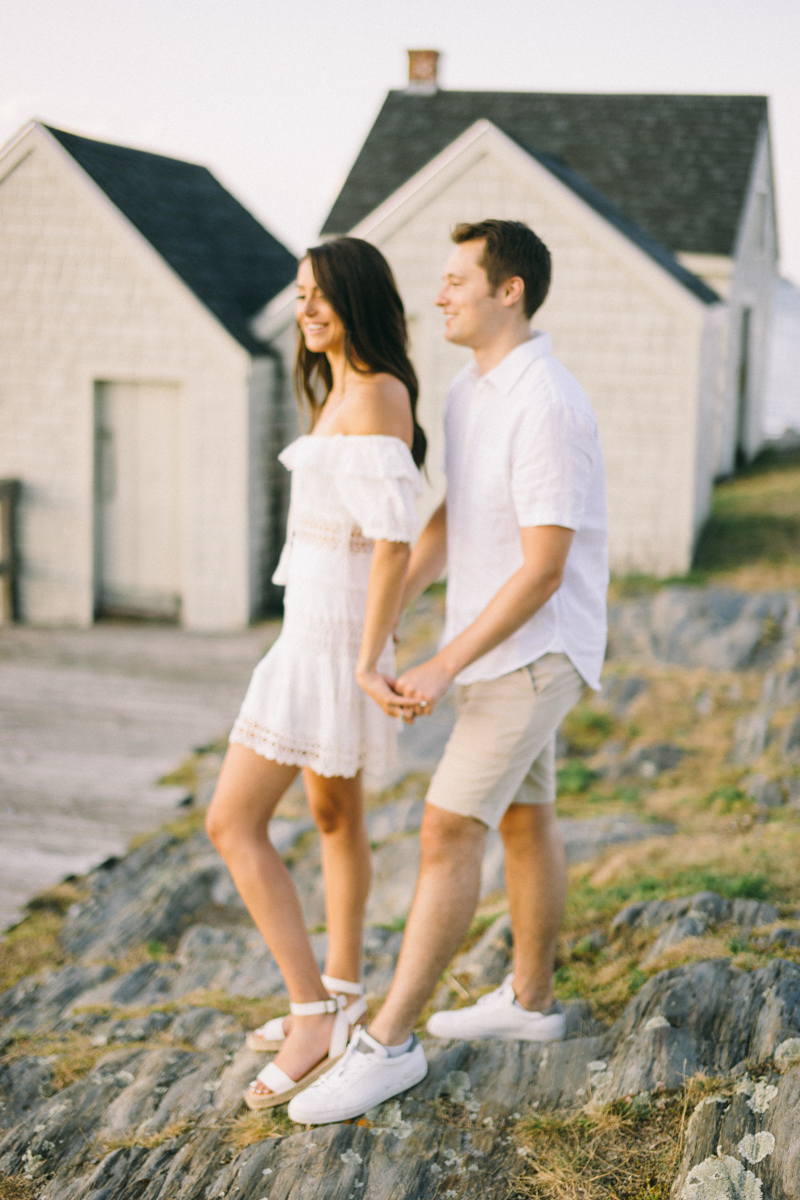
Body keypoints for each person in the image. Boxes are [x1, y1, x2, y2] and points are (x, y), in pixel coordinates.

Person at [286, 219, 608, 1125]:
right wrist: (383, 634)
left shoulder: (545, 402)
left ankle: (386, 1043)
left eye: (457, 279)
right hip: (497, 651)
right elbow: (444, 530)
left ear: (509, 291)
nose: (439, 294)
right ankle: (531, 1001)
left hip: (538, 652)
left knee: (444, 831)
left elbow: (544, 567)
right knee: (524, 817)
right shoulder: (472, 394)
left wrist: (439, 662)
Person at [205, 237, 426, 1109]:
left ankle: (309, 1016)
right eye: (300, 295)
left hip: (335, 642)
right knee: (334, 815)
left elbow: (394, 544)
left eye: (323, 295)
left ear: (359, 299)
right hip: (313, 632)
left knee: (232, 822)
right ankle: (338, 988)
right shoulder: (340, 386)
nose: (308, 309)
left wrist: (369, 660)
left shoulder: (375, 394)